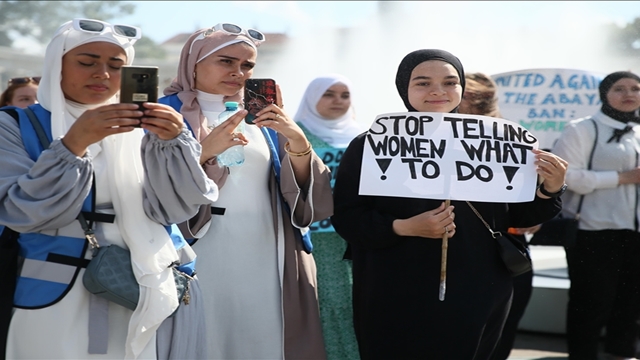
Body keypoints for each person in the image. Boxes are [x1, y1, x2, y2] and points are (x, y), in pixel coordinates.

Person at [0, 18, 218, 359]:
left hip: (143, 285)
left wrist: (174, 145)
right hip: (53, 290)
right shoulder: (15, 125)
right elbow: (20, 212)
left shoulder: (149, 128)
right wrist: (73, 145)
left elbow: (177, 210)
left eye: (116, 65)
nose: (102, 74)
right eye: (86, 62)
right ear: (56, 65)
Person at [331, 49, 567, 360]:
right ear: (404, 88)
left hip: (478, 286)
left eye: (449, 82)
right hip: (394, 287)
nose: (438, 91)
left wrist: (551, 188)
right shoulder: (370, 144)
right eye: (423, 83)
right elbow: (347, 217)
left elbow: (519, 216)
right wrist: (402, 227)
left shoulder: (497, 142)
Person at [159, 23, 334, 359]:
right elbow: (148, 186)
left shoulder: (261, 118)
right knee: (204, 338)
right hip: (197, 251)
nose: (238, 72)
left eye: (247, 65)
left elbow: (303, 193)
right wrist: (204, 152)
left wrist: (296, 142)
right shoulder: (165, 113)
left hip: (267, 253)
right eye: (226, 61)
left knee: (263, 339)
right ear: (193, 62)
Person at [552, 71, 640, 360]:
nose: (629, 94)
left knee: (630, 307)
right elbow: (567, 177)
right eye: (620, 88)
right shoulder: (582, 129)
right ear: (604, 93)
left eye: (636, 89)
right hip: (592, 232)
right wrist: (621, 178)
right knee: (589, 306)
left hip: (635, 234)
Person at [459, 72, 540, 360]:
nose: (472, 103)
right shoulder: (428, 137)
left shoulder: (512, 140)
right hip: (452, 253)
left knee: (498, 334)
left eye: (481, 97)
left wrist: (548, 191)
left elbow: (530, 213)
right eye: (466, 94)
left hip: (503, 253)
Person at [293, 74, 365, 360]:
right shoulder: (294, 134)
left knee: (353, 300)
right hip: (312, 238)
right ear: (312, 98)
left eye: (344, 95)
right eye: (329, 94)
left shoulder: (362, 136)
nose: (338, 101)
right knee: (325, 301)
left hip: (356, 236)